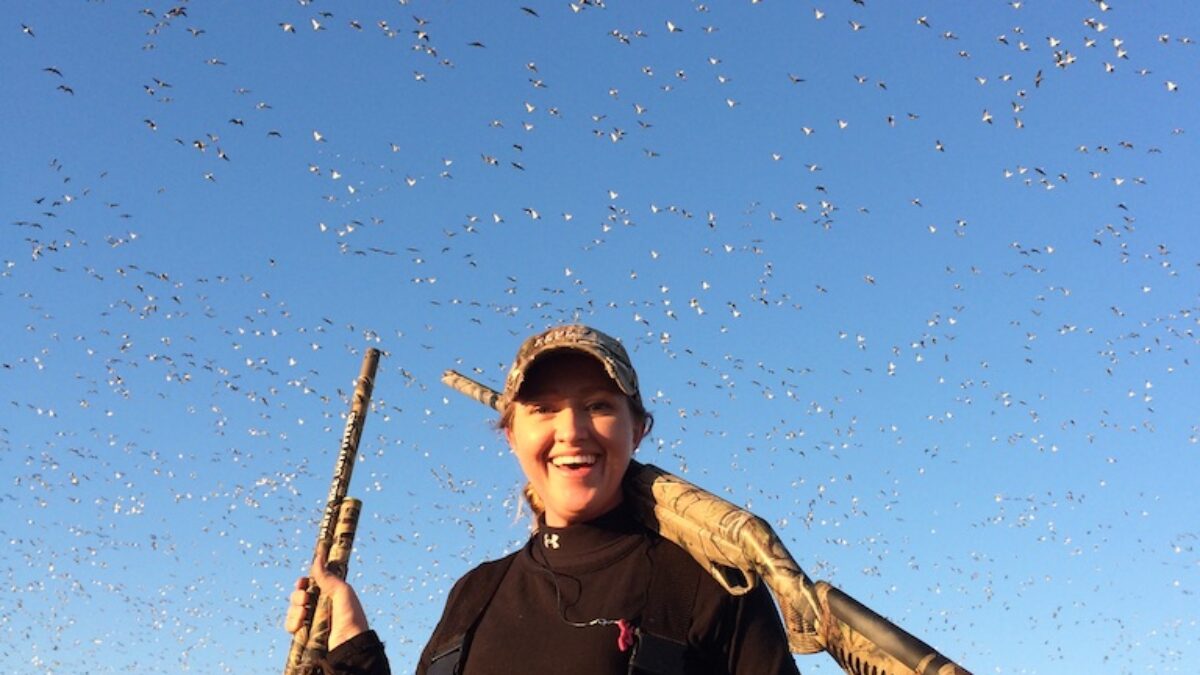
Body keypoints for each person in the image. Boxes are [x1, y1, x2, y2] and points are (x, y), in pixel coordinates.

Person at [287, 324, 799, 674]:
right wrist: (349, 642)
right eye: (543, 409)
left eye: (598, 405)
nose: (571, 432)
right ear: (510, 434)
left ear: (638, 429)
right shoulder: (474, 595)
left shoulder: (711, 585)